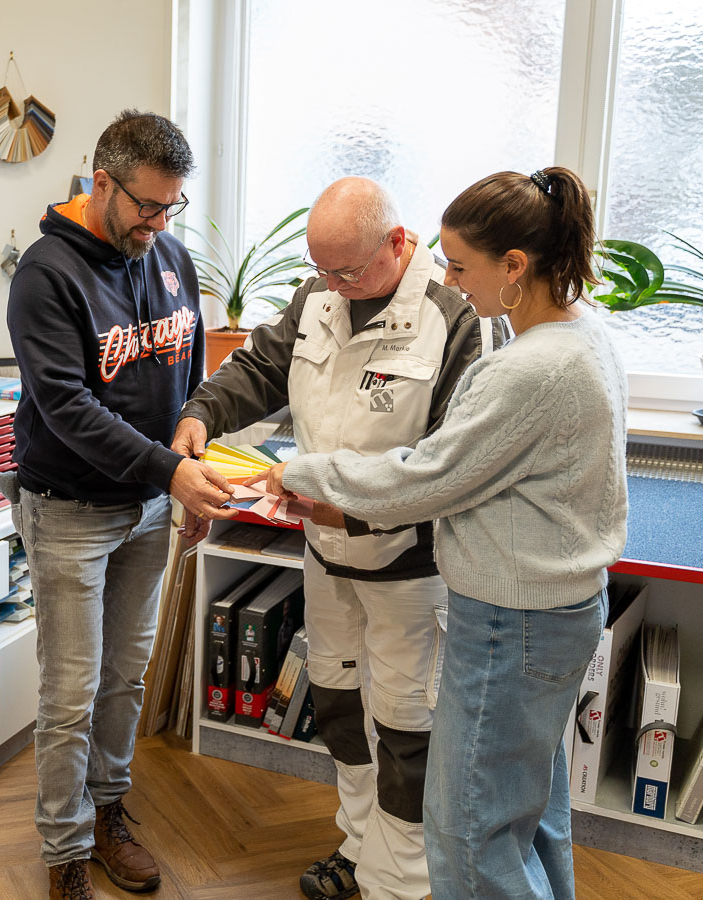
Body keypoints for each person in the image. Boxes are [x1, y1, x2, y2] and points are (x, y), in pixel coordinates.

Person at [257, 167, 628, 900]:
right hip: (557, 615)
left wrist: (307, 475)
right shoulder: (586, 338)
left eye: (460, 265)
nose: (451, 281)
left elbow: (426, 477)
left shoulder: (527, 368)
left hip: (511, 627)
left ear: (514, 268)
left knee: (468, 836)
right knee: (531, 817)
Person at [173, 177, 505, 900]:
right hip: (326, 558)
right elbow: (259, 369)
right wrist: (201, 413)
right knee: (340, 707)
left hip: (411, 570)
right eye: (320, 269)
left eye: (347, 271)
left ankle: (403, 884)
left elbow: (453, 466)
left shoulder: (458, 316)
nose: (332, 285)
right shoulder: (319, 295)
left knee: (406, 730)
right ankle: (360, 853)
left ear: (397, 243)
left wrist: (354, 512)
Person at [5, 109, 235, 900]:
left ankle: (109, 815)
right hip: (69, 510)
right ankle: (64, 851)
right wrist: (171, 472)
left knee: (125, 679)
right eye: (146, 205)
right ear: (101, 181)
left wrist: (190, 444)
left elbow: (186, 365)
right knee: (69, 692)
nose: (159, 222)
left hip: (147, 508)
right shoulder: (44, 275)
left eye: (172, 206)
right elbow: (66, 407)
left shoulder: (167, 252)